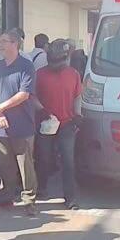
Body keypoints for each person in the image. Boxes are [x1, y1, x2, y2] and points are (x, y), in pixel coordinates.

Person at [0, 29, 39, 215]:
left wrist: (0, 108)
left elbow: (24, 94)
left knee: (25, 164)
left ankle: (29, 200)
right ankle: (7, 197)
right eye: (0, 42)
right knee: (5, 165)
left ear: (15, 44)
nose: (0, 45)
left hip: (22, 125)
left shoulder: (26, 66)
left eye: (4, 41)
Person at [34, 39, 82, 211]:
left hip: (67, 124)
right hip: (46, 122)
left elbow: (77, 96)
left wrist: (78, 115)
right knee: (44, 158)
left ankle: (70, 198)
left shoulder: (73, 74)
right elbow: (32, 96)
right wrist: (41, 110)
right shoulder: (39, 74)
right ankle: (42, 188)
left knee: (68, 161)